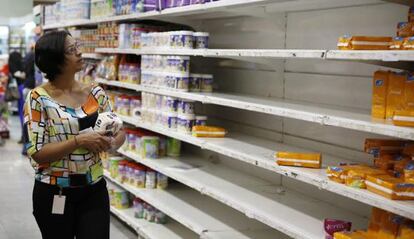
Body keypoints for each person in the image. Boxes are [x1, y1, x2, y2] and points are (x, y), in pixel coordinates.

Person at [24, 30, 126, 239]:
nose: (79, 52)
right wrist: (79, 141)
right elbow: (37, 152)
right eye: (72, 50)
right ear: (56, 59)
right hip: (54, 191)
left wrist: (112, 142)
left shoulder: (95, 93)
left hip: (94, 189)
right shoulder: (38, 98)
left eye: (77, 46)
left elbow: (119, 131)